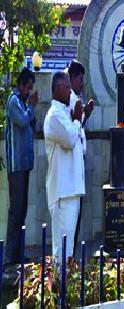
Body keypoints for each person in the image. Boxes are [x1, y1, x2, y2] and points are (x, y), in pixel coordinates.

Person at [44, 72, 85, 262]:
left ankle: (66, 287)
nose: (70, 92)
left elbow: (80, 145)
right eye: (67, 87)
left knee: (69, 248)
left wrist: (79, 119)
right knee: (62, 248)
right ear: (58, 88)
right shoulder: (54, 115)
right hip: (62, 191)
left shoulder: (65, 114)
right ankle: (60, 287)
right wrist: (77, 120)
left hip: (72, 190)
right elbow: (69, 140)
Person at [5, 67, 38, 267]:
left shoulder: (23, 103)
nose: (29, 91)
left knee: (22, 210)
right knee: (16, 211)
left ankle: (17, 254)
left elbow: (32, 124)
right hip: (16, 165)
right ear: (21, 85)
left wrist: (31, 108)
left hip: (25, 164)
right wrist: (31, 106)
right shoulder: (13, 101)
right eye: (28, 87)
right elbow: (23, 121)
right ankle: (9, 257)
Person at [67, 60, 94, 253]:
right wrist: (82, 115)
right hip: (71, 165)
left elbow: (78, 127)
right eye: (81, 79)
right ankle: (68, 258)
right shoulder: (69, 100)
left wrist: (86, 115)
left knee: (77, 211)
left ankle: (71, 255)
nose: (82, 84)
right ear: (73, 78)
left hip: (78, 161)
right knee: (72, 214)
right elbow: (71, 132)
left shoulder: (75, 99)